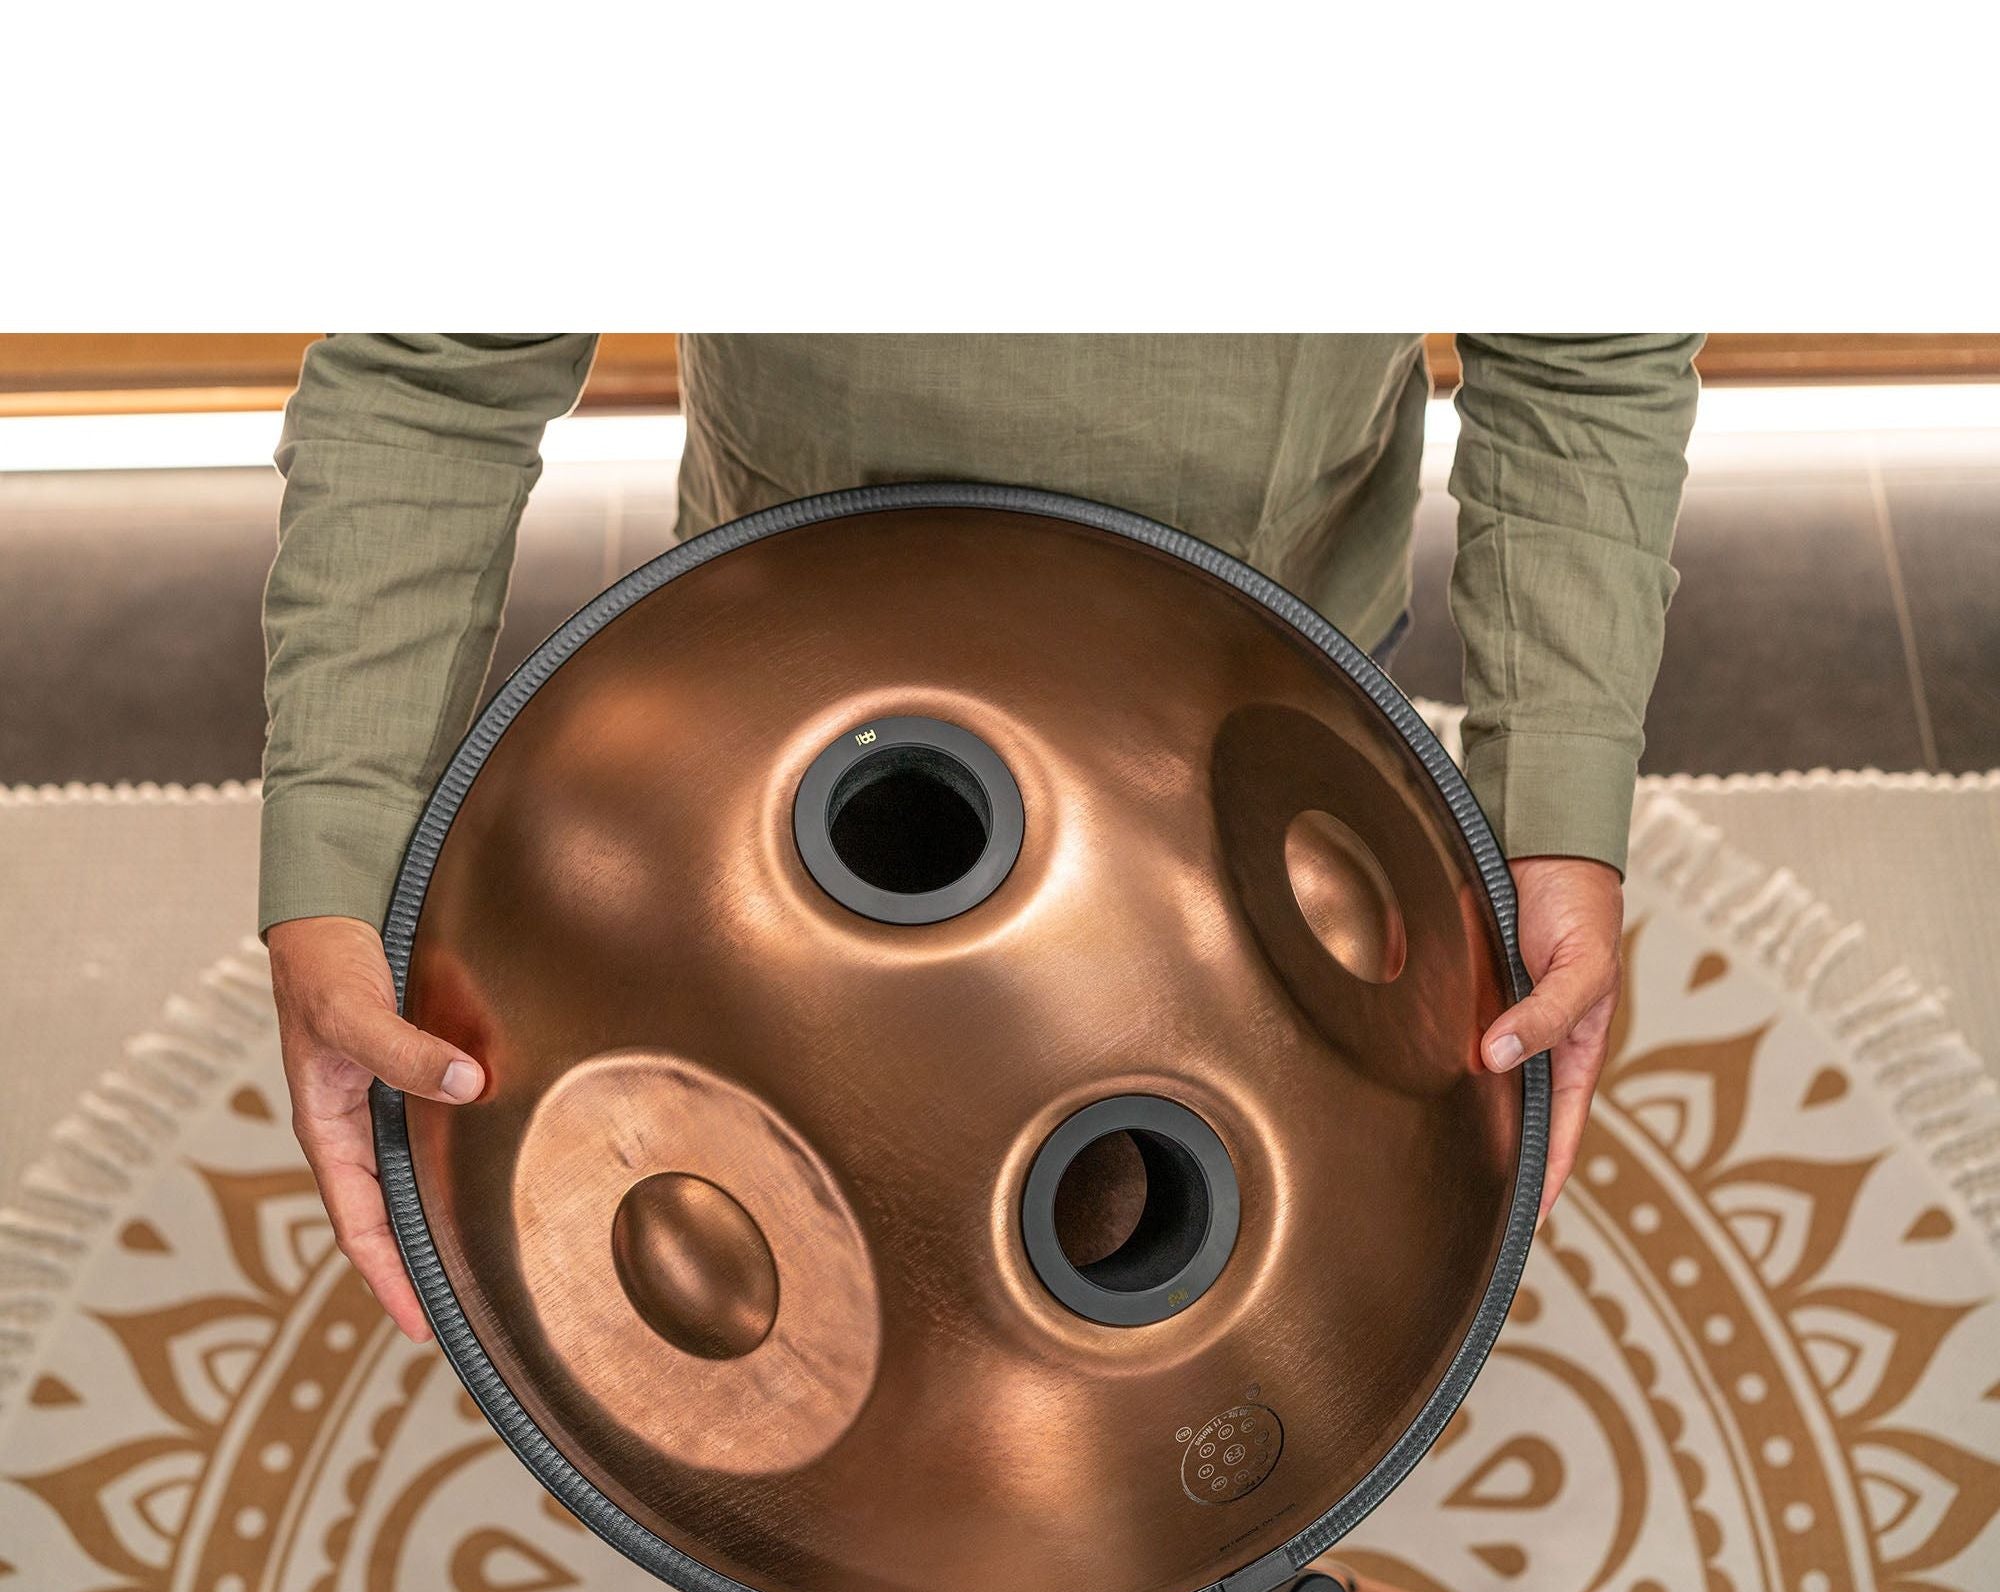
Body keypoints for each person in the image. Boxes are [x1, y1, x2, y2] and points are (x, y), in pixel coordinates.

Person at [261, 333, 1700, 1343]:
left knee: (1160, 1261)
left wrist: (1556, 801)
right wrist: (344, 835)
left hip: (1256, 677)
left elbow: (1582, 344)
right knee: (870, 1251)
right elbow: (437, 367)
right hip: (794, 681)